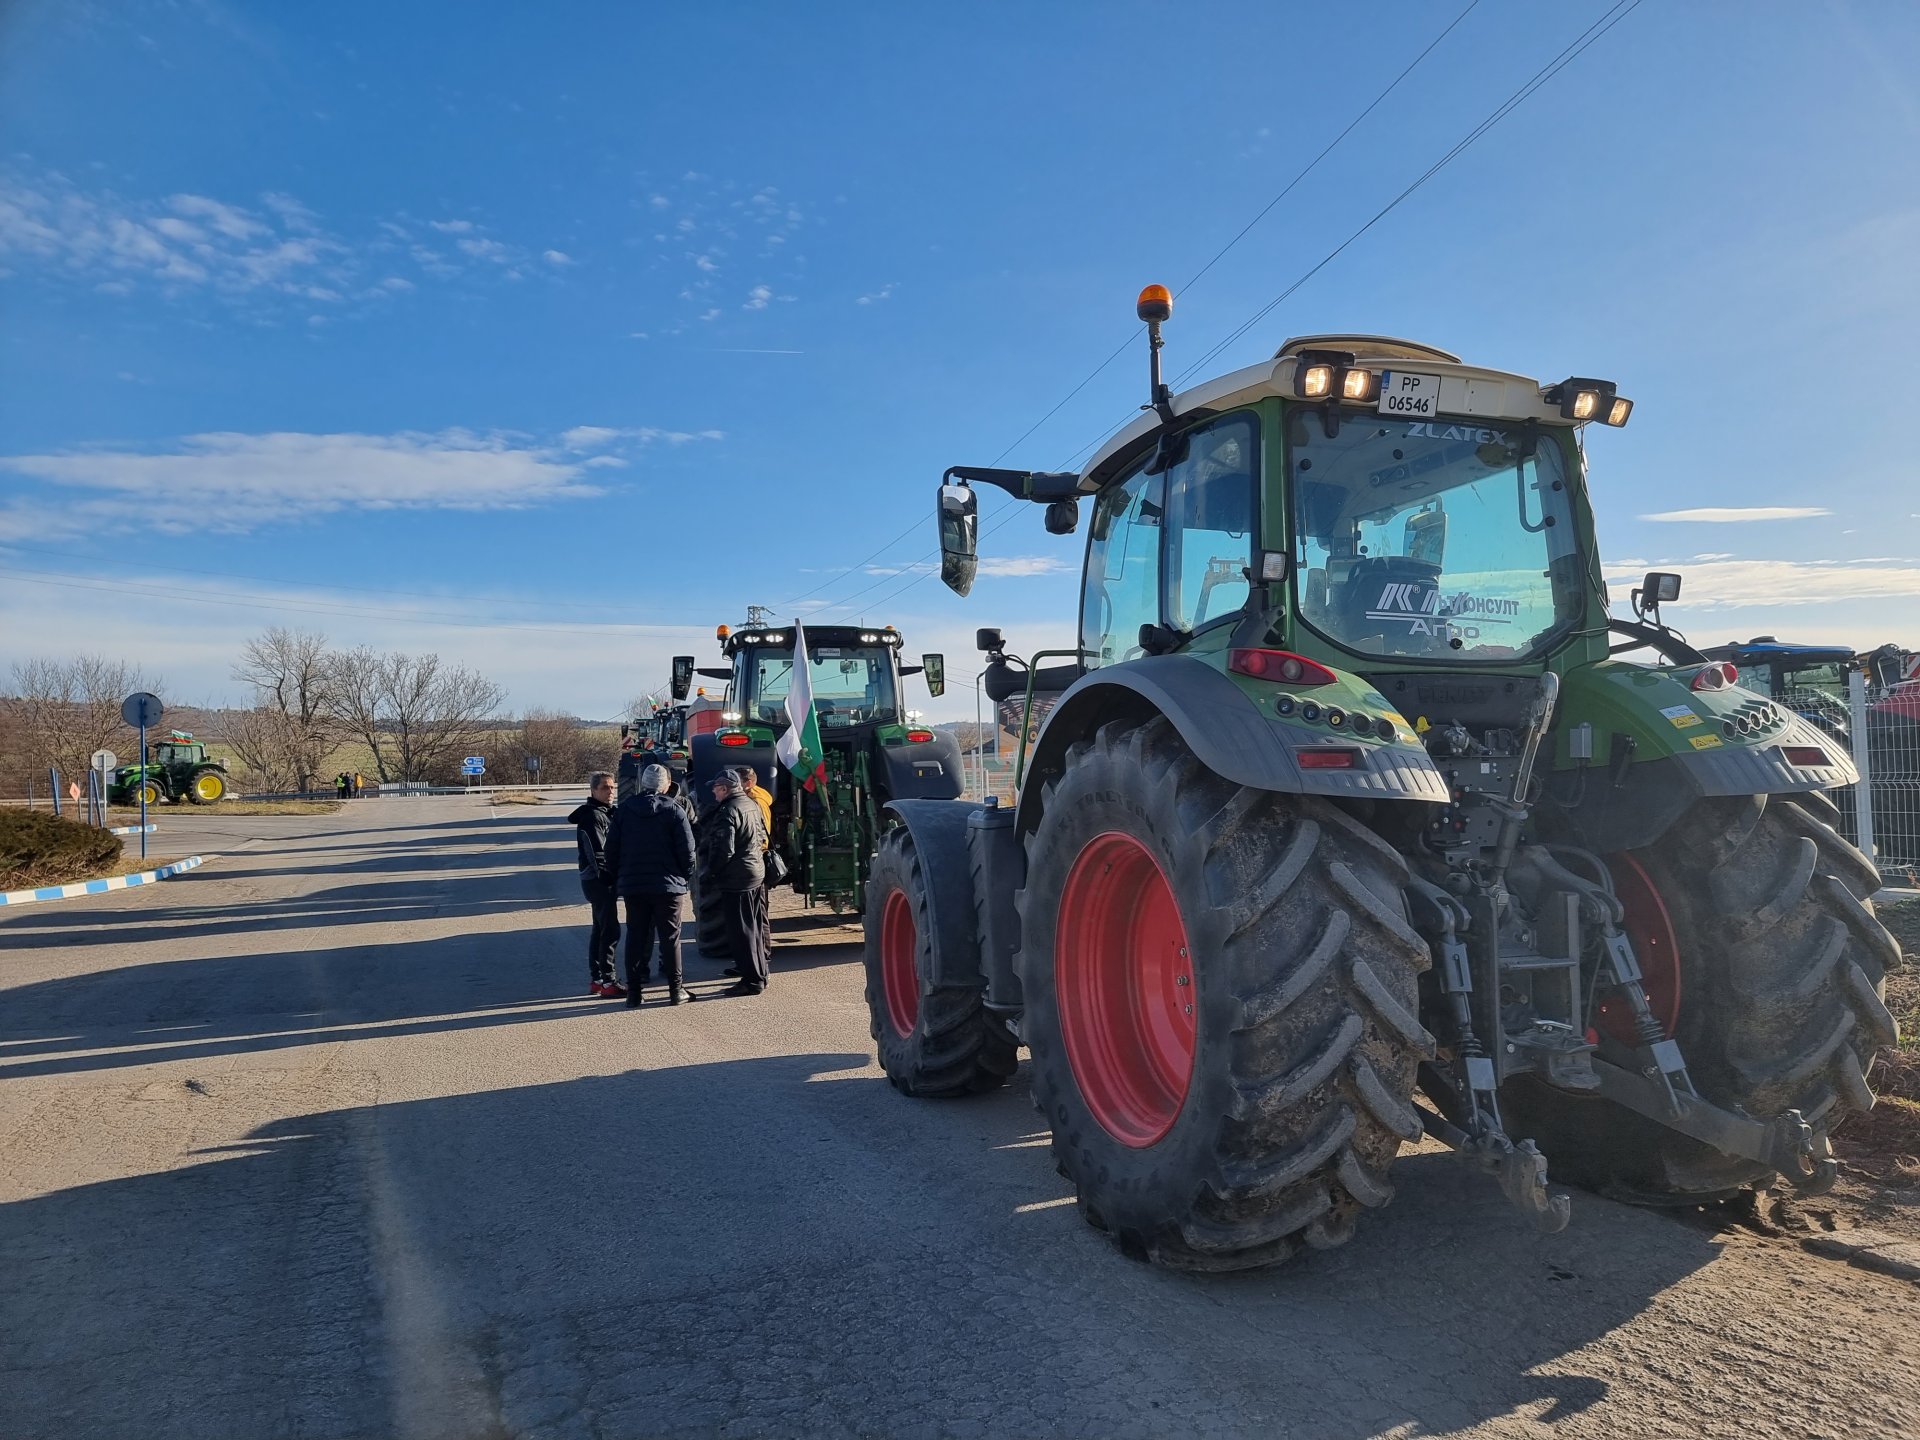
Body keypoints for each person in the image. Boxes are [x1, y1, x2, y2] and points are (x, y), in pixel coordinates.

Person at [604, 763, 698, 1006]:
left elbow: (611, 850)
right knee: (670, 937)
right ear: (666, 785)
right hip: (669, 887)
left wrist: (619, 878)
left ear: (642, 784)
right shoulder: (675, 811)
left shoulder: (624, 811)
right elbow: (688, 852)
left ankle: (634, 993)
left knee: (635, 935)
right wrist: (683, 877)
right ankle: (676, 991)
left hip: (634, 886)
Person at [700, 770, 768, 997]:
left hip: (737, 878)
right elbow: (760, 837)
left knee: (741, 931)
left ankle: (751, 981)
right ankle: (760, 974)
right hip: (755, 872)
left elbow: (723, 849)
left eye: (715, 788)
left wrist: (711, 873)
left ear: (725, 789)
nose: (713, 791)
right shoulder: (751, 804)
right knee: (755, 927)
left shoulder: (727, 811)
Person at [568, 772, 623, 999]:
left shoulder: (606, 813)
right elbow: (596, 851)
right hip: (597, 880)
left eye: (612, 787)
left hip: (599, 880)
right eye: (604, 788)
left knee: (600, 928)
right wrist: (607, 878)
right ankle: (608, 981)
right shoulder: (592, 816)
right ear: (593, 791)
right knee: (610, 930)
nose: (610, 792)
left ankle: (597, 978)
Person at [735, 766, 776, 967]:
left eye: (738, 781)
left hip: (756, 858)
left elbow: (760, 833)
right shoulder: (756, 798)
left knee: (758, 912)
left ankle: (763, 955)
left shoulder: (756, 802)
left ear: (749, 783)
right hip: (755, 858)